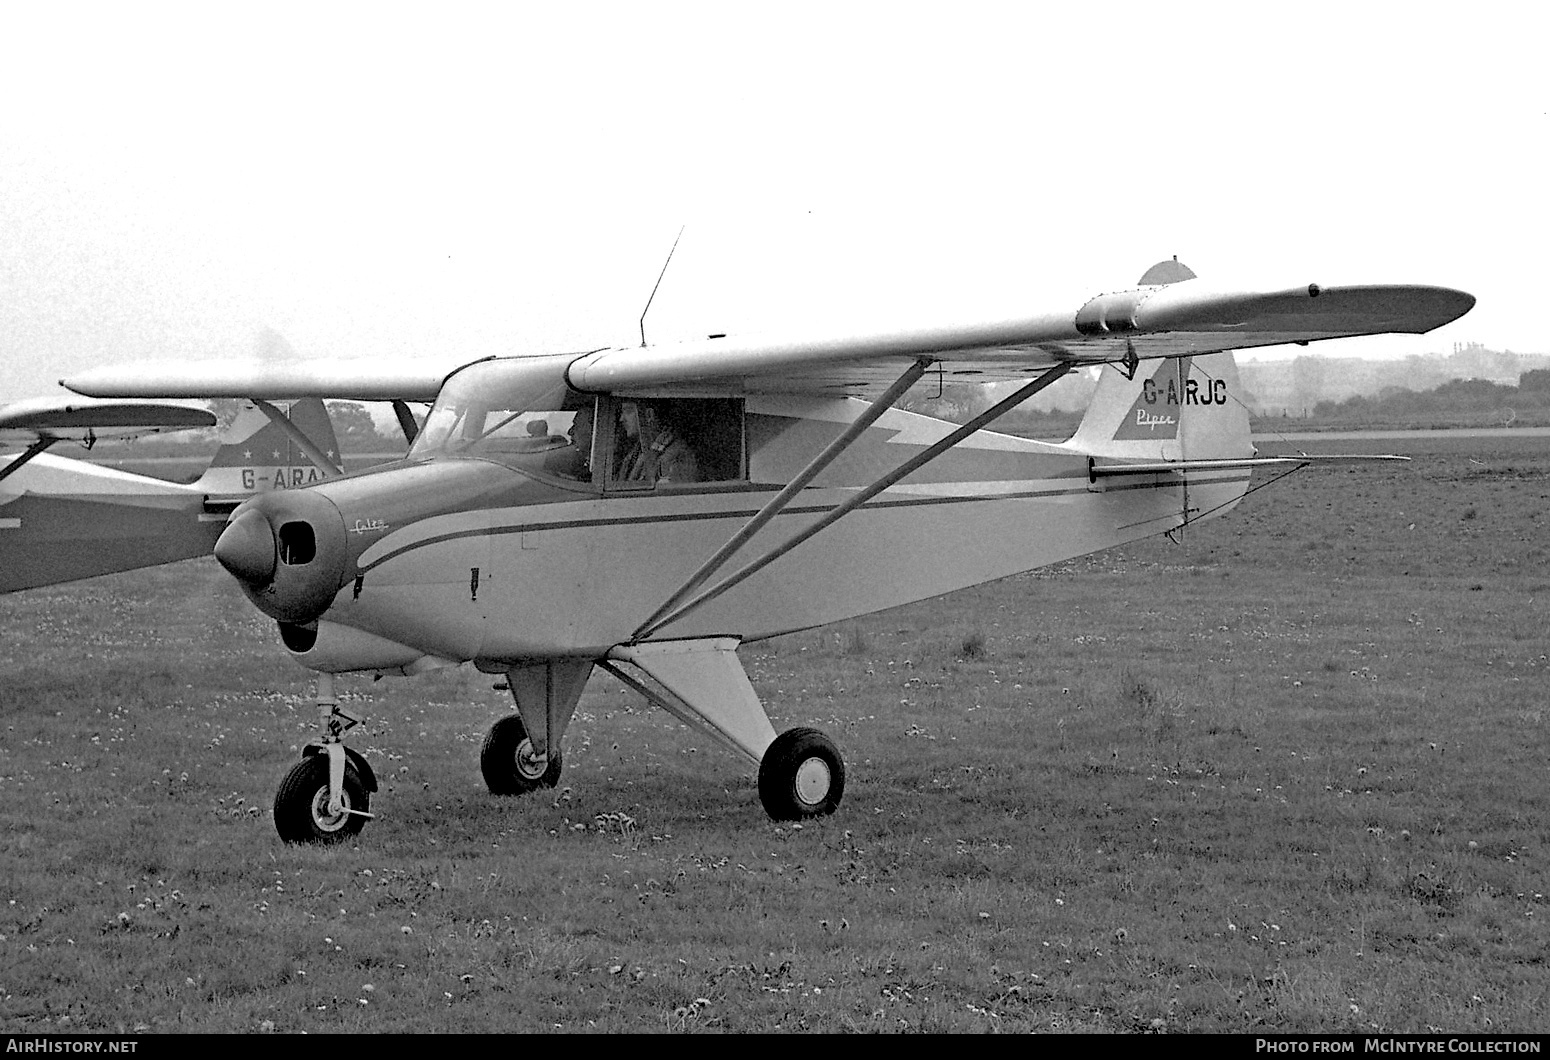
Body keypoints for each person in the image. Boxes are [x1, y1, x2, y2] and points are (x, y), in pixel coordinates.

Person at [617, 400, 700, 484]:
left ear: (649, 415)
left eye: (628, 412)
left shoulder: (676, 455)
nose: (621, 419)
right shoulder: (634, 455)